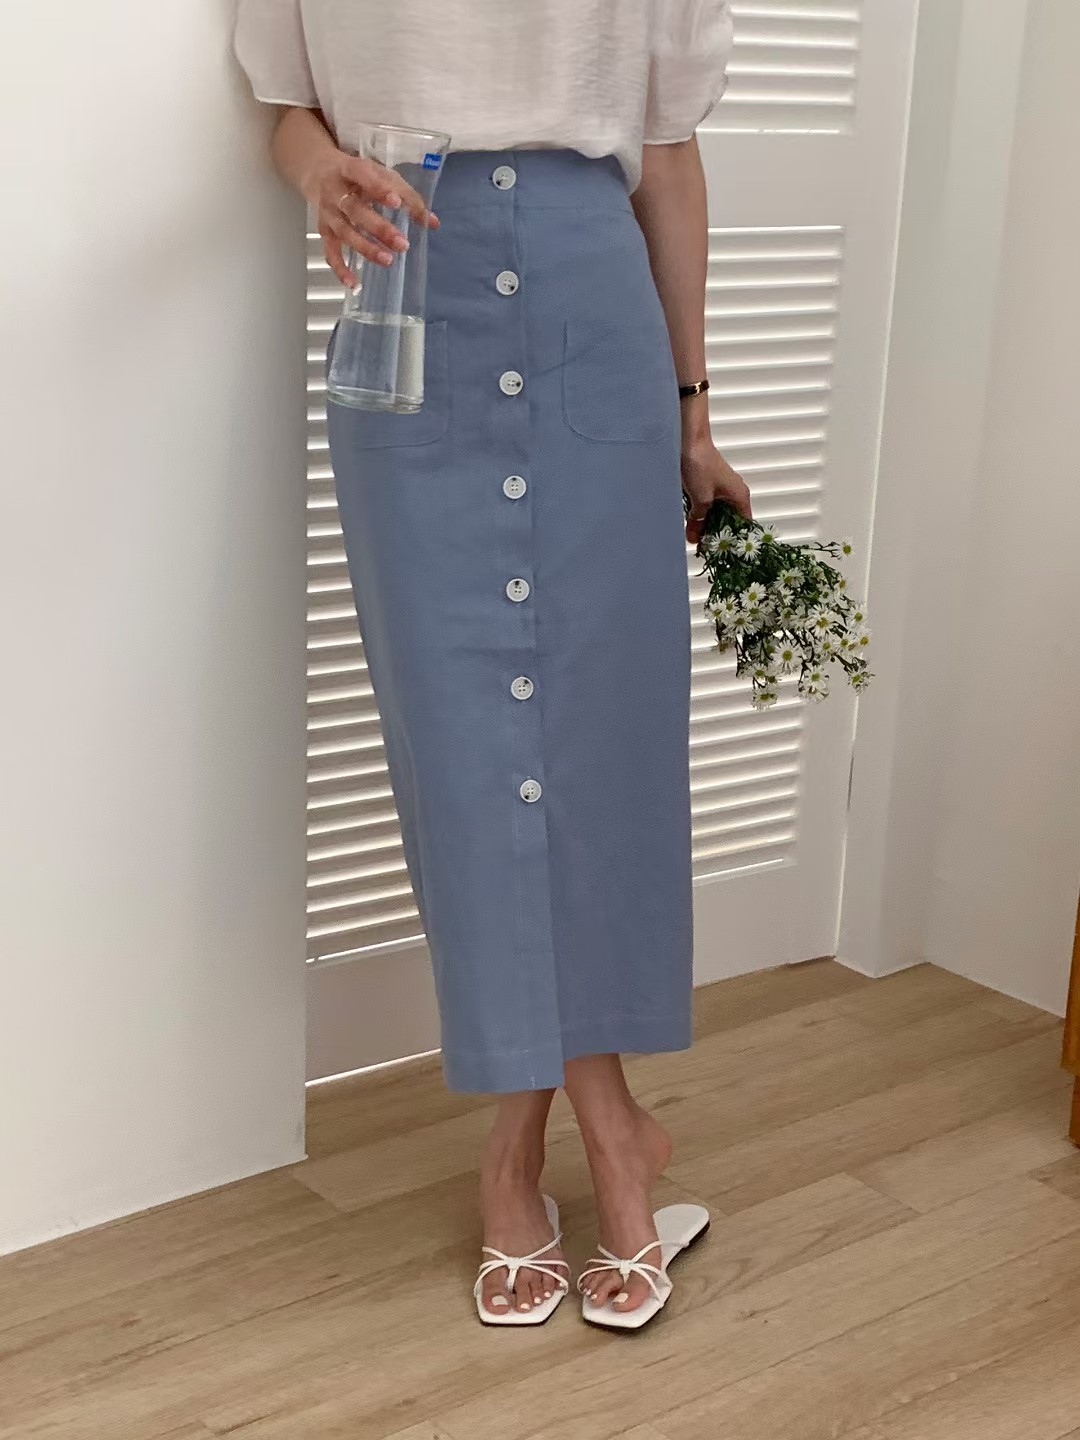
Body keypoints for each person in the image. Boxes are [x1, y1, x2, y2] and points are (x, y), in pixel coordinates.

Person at [234, 0, 751, 1330]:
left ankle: (534, 1151)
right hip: (410, 290)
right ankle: (613, 1134)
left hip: (592, 293)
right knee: (466, 755)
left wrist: (693, 413)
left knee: (600, 746)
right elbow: (287, 110)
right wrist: (320, 174)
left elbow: (667, 153)